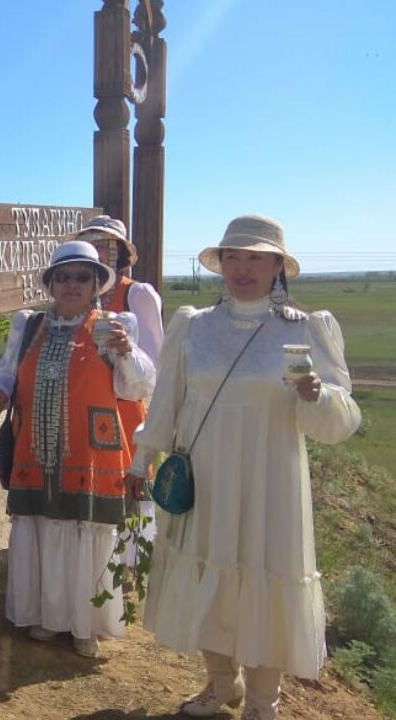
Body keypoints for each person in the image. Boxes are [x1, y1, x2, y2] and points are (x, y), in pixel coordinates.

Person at [124, 216, 361, 720]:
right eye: (233, 256)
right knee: (208, 571)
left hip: (269, 478)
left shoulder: (306, 328)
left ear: (278, 266)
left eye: (255, 257)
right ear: (220, 264)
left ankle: (261, 702)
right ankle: (219, 683)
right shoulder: (193, 326)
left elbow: (342, 418)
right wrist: (141, 459)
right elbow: (167, 401)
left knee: (265, 578)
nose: (242, 268)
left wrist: (317, 395)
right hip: (204, 477)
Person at [0, 239, 156, 658]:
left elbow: (141, 386)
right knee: (41, 526)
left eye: (82, 277)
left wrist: (126, 352)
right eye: (63, 277)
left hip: (91, 453)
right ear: (51, 284)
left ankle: (86, 624)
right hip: (34, 448)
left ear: (97, 283)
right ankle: (46, 615)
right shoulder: (28, 325)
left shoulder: (117, 325)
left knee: (88, 532)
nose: (72, 284)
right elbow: (7, 372)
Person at [76, 215, 165, 566]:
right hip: (86, 405)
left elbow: (157, 360)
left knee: (125, 484)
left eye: (105, 245)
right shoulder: (78, 292)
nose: (97, 252)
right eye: (92, 244)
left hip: (126, 405)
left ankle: (128, 565)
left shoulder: (136, 294)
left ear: (119, 253)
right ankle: (94, 564)